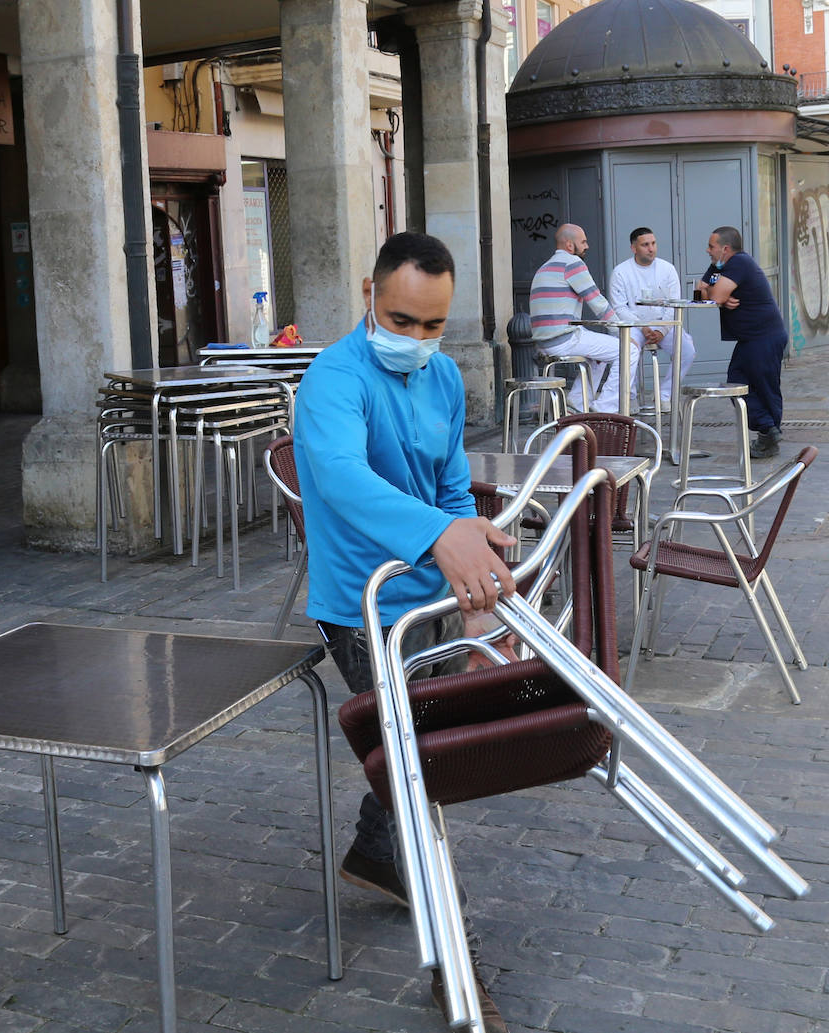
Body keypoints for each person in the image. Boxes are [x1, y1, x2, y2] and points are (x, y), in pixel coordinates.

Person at [294, 231, 516, 1033]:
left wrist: (474, 573)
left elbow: (452, 483)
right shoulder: (333, 380)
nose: (418, 339)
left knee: (413, 747)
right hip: (363, 602)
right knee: (423, 769)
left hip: (430, 591)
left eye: (434, 325)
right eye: (402, 320)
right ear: (367, 294)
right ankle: (454, 970)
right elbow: (345, 481)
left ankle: (374, 848)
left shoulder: (446, 375)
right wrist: (438, 536)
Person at [695, 226, 787, 459]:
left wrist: (715, 294)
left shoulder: (739, 263)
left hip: (765, 336)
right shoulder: (719, 267)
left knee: (763, 386)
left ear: (725, 249)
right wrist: (718, 296)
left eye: (711, 246)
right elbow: (704, 295)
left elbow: (713, 295)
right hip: (751, 338)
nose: (708, 250)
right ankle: (768, 430)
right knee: (736, 382)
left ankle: (769, 433)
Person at [527, 223, 625, 412]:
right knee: (627, 350)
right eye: (584, 242)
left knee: (600, 354)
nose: (587, 246)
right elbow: (597, 302)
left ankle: (578, 402)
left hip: (544, 342)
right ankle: (605, 408)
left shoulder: (544, 268)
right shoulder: (573, 263)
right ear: (570, 245)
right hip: (563, 339)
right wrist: (621, 332)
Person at [607, 226, 696, 410]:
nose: (651, 248)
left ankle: (664, 395)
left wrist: (661, 330)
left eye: (653, 243)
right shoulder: (621, 272)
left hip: (663, 325)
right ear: (634, 248)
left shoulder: (668, 269)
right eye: (645, 244)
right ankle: (629, 397)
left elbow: (674, 304)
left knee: (687, 350)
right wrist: (643, 327)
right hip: (634, 325)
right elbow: (619, 308)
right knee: (628, 349)